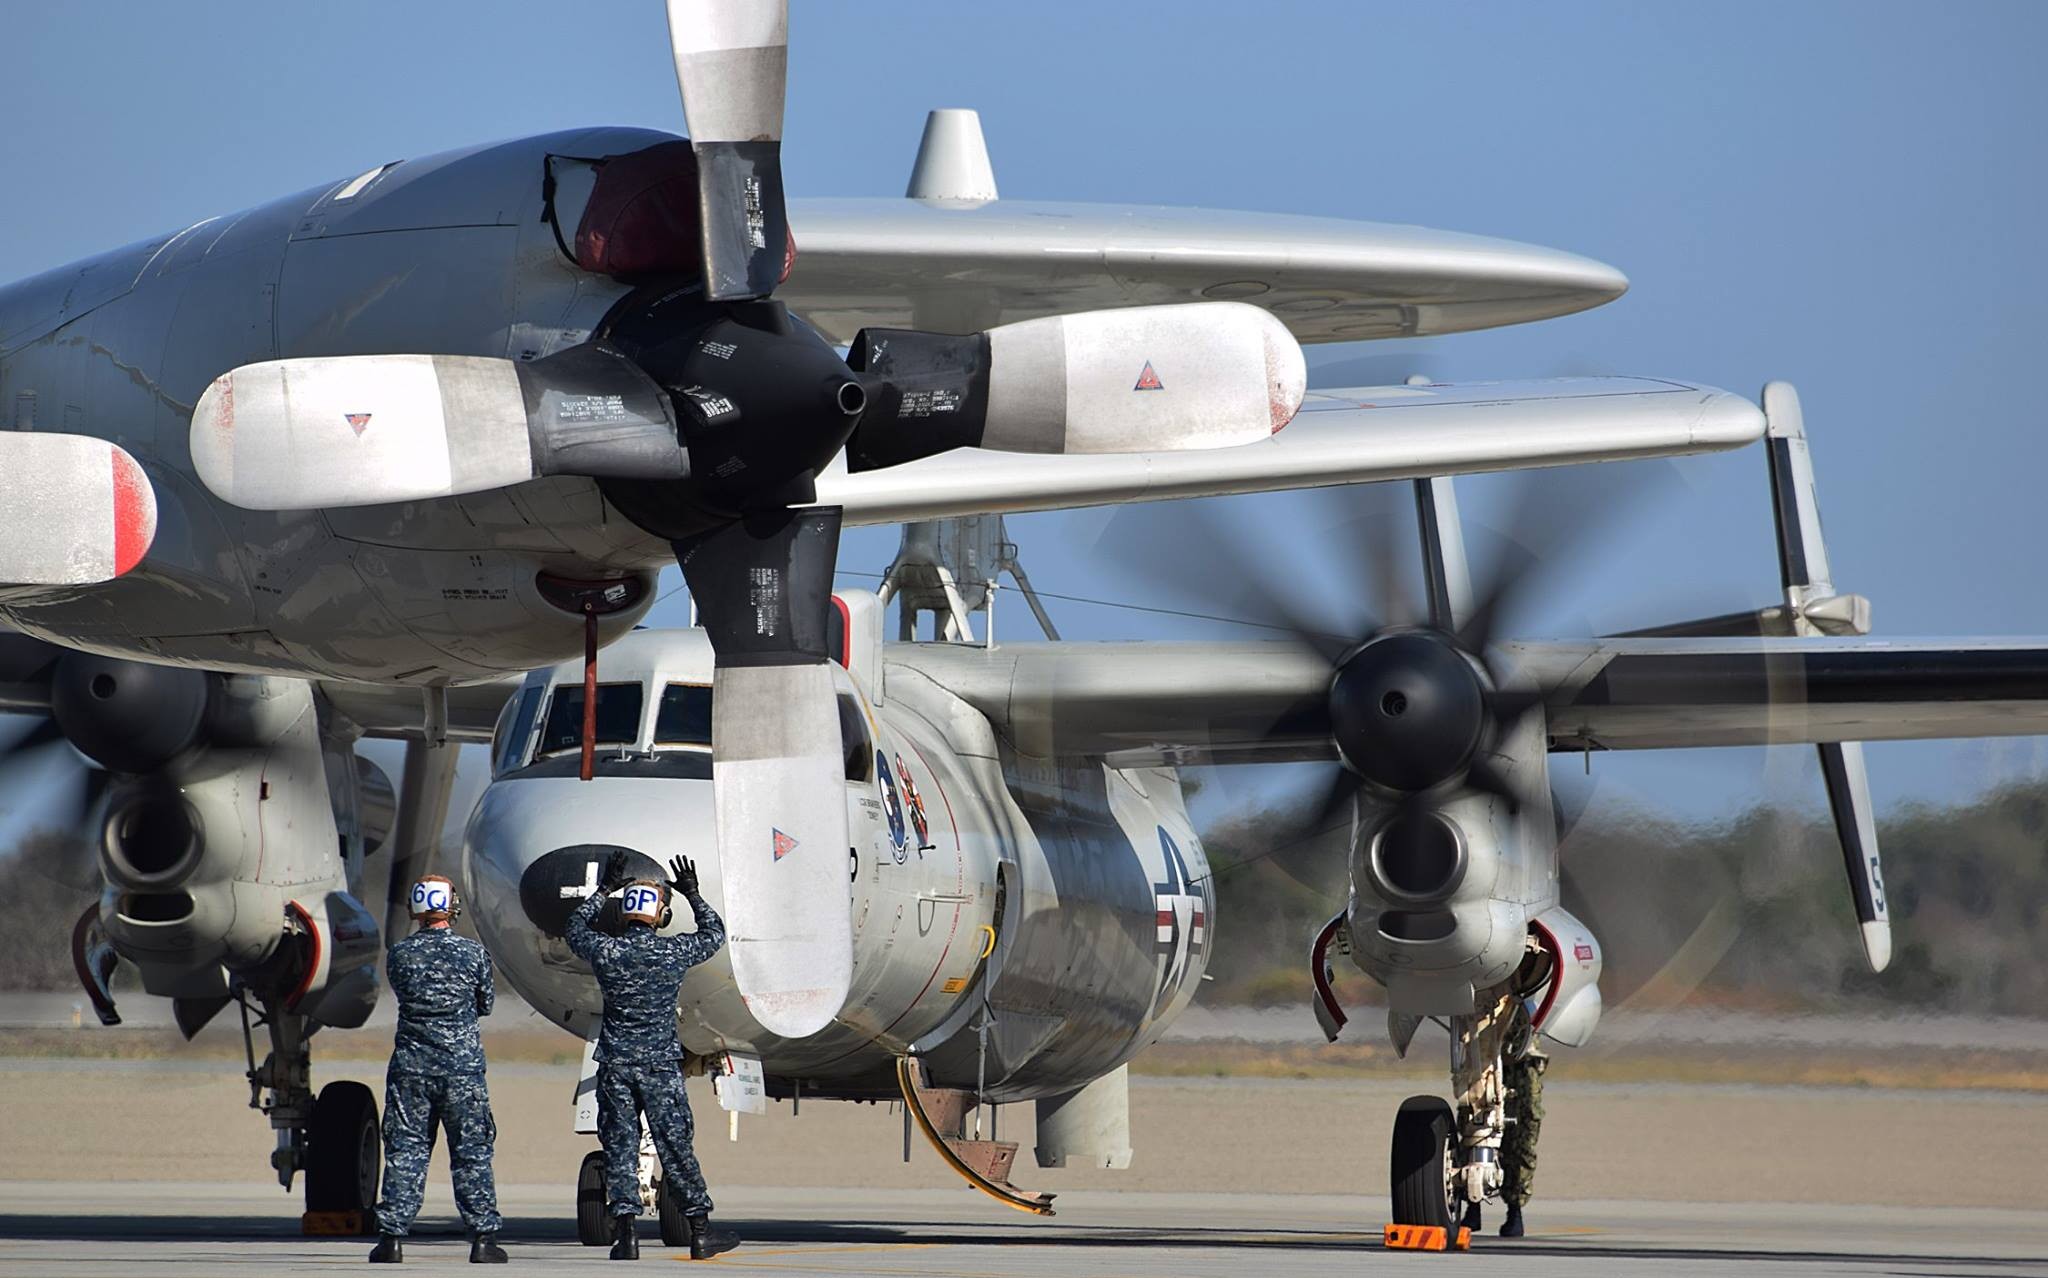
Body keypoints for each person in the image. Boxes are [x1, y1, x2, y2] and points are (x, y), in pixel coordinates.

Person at [566, 850, 737, 1262]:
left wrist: (605, 887)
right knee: (675, 1146)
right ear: (659, 917)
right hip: (659, 1065)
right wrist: (693, 895)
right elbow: (714, 933)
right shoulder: (672, 952)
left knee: (621, 1148)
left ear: (624, 915)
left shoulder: (606, 951)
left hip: (616, 1066)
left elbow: (575, 928)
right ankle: (699, 1232)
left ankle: (625, 1236)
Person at [369, 875, 506, 1264]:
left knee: (406, 1151)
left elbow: (404, 994)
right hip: (462, 1072)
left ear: (416, 910)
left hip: (410, 1070)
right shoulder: (473, 954)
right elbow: (485, 1004)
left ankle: (391, 1240)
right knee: (471, 1154)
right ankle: (482, 1239)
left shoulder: (400, 954)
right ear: (451, 906)